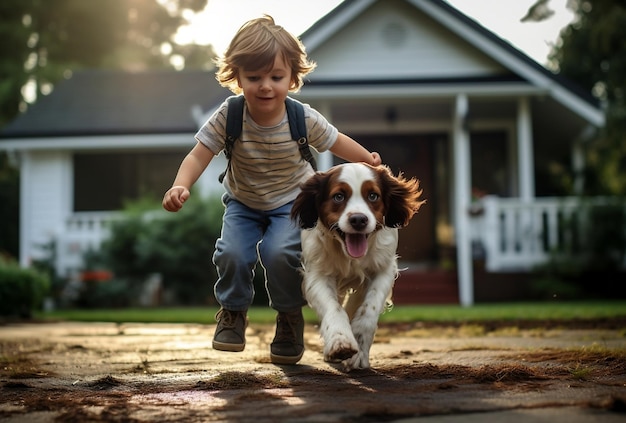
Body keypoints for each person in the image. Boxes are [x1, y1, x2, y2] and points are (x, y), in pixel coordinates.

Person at [162, 15, 381, 365]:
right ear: (236, 76)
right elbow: (198, 154)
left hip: (291, 204)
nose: (266, 86)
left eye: (276, 77)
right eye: (254, 77)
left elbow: (335, 140)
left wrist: (368, 161)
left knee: (281, 255)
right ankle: (233, 313)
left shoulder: (301, 117)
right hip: (243, 203)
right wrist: (179, 185)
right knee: (232, 252)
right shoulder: (229, 115)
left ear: (292, 78)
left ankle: (289, 318)